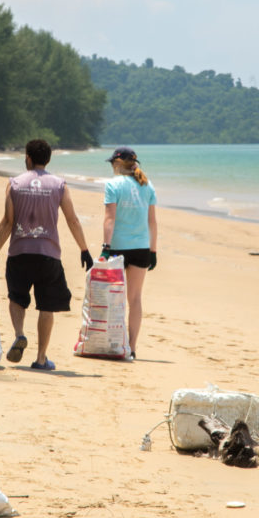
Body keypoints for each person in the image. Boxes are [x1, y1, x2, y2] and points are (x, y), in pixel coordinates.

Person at [0, 139, 94, 371]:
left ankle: (20, 334)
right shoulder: (59, 185)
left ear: (28, 158)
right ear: (48, 159)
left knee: (16, 298)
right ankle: (41, 358)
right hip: (48, 255)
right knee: (47, 306)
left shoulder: (14, 184)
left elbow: (7, 222)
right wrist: (84, 249)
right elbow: (72, 219)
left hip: (19, 253)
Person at [101, 147, 157, 360]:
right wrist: (153, 251)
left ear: (117, 163)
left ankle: (112, 342)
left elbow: (109, 219)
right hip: (142, 248)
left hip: (116, 247)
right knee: (135, 299)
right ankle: (131, 348)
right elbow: (152, 222)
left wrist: (106, 247)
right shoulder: (147, 185)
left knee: (111, 298)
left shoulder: (113, 185)